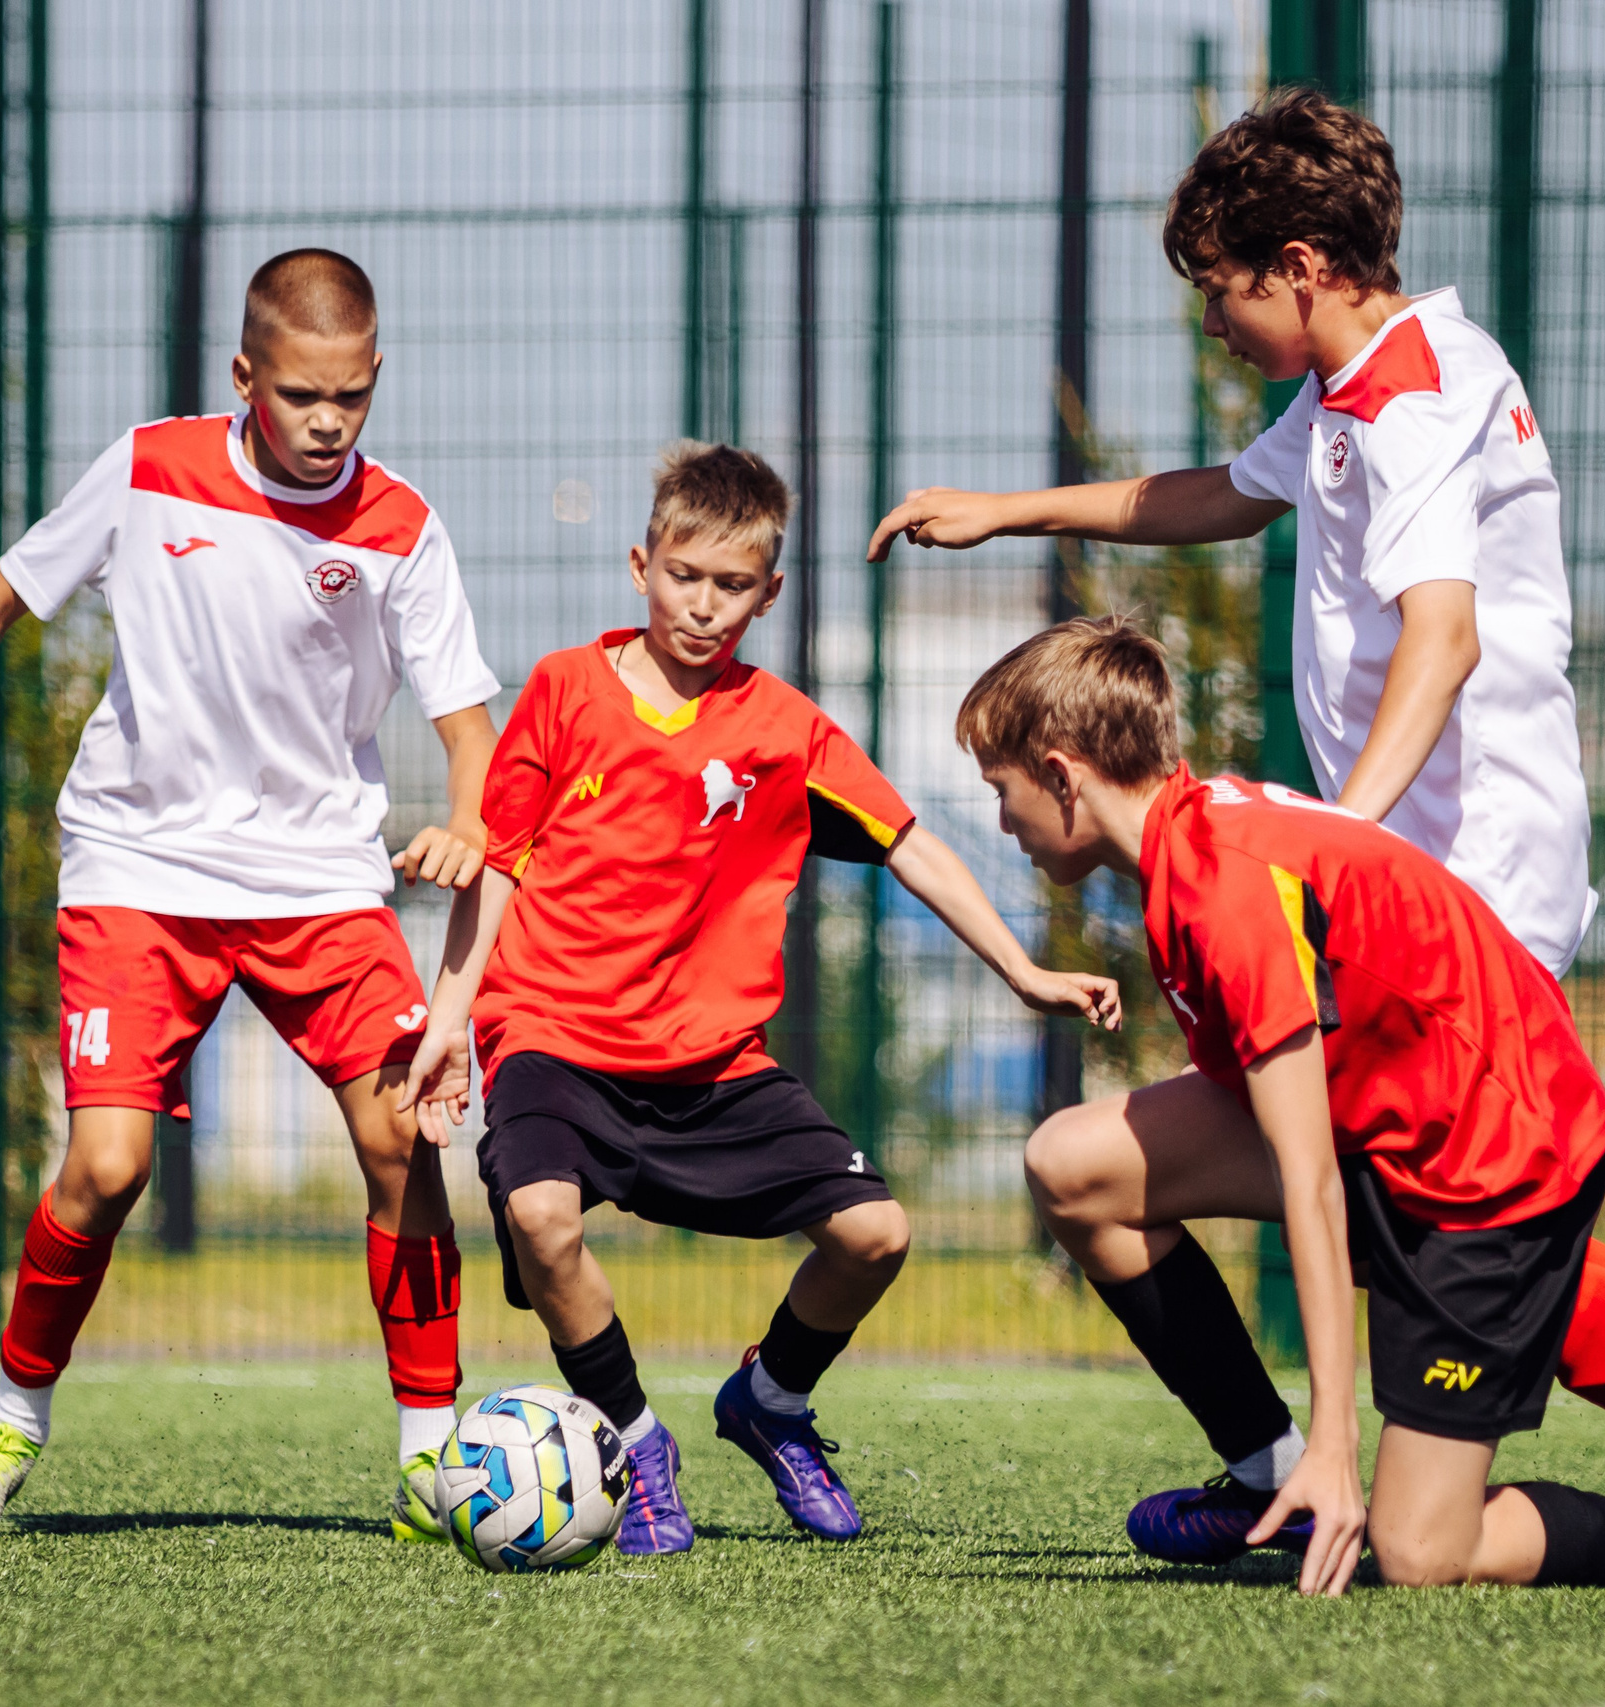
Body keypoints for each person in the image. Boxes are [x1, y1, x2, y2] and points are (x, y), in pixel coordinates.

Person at [869, 84, 1605, 1413]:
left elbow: (1443, 639)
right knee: (1337, 1173)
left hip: (1463, 874)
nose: (1210, 321)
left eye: (1219, 289)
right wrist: (1009, 511)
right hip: (1428, 862)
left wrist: (1334, 849)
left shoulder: (1413, 398)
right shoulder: (1359, 380)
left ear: (1301, 269)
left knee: (1399, 1193)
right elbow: (1229, 494)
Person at [957, 616, 1605, 1593]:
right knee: (1075, 1166)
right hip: (1416, 1121)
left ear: (1064, 774)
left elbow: (1311, 1181)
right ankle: (1270, 1476)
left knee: (1420, 1552)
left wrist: (1337, 1440)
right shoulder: (1189, 837)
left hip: (1493, 1157)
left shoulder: (1220, 887)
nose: (1002, 823)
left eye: (1003, 793)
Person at [0, 250, 497, 1543]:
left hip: (319, 878)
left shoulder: (403, 526)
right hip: (138, 864)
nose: (328, 421)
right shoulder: (149, 468)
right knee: (108, 1161)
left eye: (354, 397)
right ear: (244, 376)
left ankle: (432, 1452)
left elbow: (473, 730)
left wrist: (472, 817)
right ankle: (12, 1417)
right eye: (303, 393)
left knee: (403, 1136)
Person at [400, 443, 1120, 1555]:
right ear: (643, 564)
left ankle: (770, 1401)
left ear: (767, 592)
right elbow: (497, 865)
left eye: (731, 586)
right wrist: (450, 1026)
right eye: (683, 576)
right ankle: (638, 1442)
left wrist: (1021, 968)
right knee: (541, 1218)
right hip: (553, 1040)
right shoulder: (562, 693)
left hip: (712, 1065)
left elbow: (910, 844)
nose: (702, 605)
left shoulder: (786, 731)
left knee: (876, 1235)